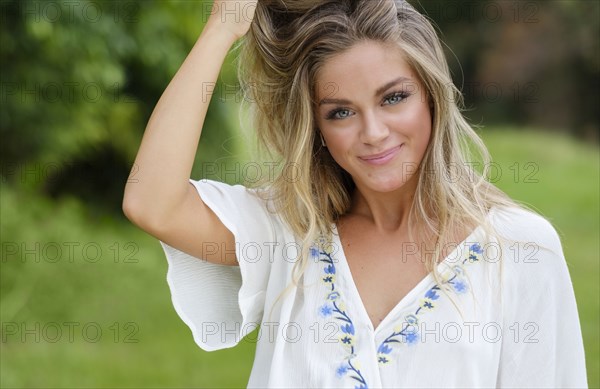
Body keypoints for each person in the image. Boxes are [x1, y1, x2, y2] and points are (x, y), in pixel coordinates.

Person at [122, 0, 588, 387]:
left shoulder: (520, 249)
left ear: (432, 97)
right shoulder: (289, 233)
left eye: (393, 98)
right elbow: (152, 203)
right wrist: (222, 27)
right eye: (341, 112)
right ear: (318, 129)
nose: (373, 132)